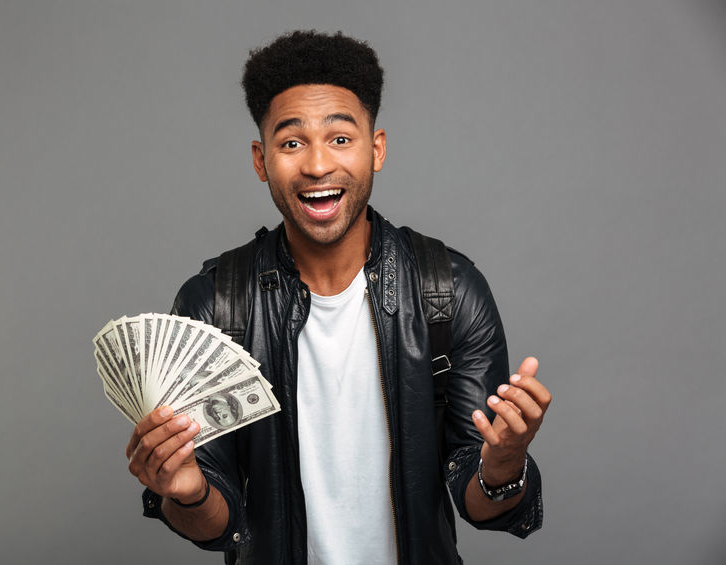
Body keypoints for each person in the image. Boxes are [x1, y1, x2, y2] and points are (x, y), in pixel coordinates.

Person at [126, 30, 552, 564]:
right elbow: (218, 525)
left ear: (377, 150)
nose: (318, 165)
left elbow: (481, 502)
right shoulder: (216, 306)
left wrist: (503, 464)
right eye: (291, 142)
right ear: (261, 161)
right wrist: (187, 492)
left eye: (341, 139)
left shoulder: (448, 291)